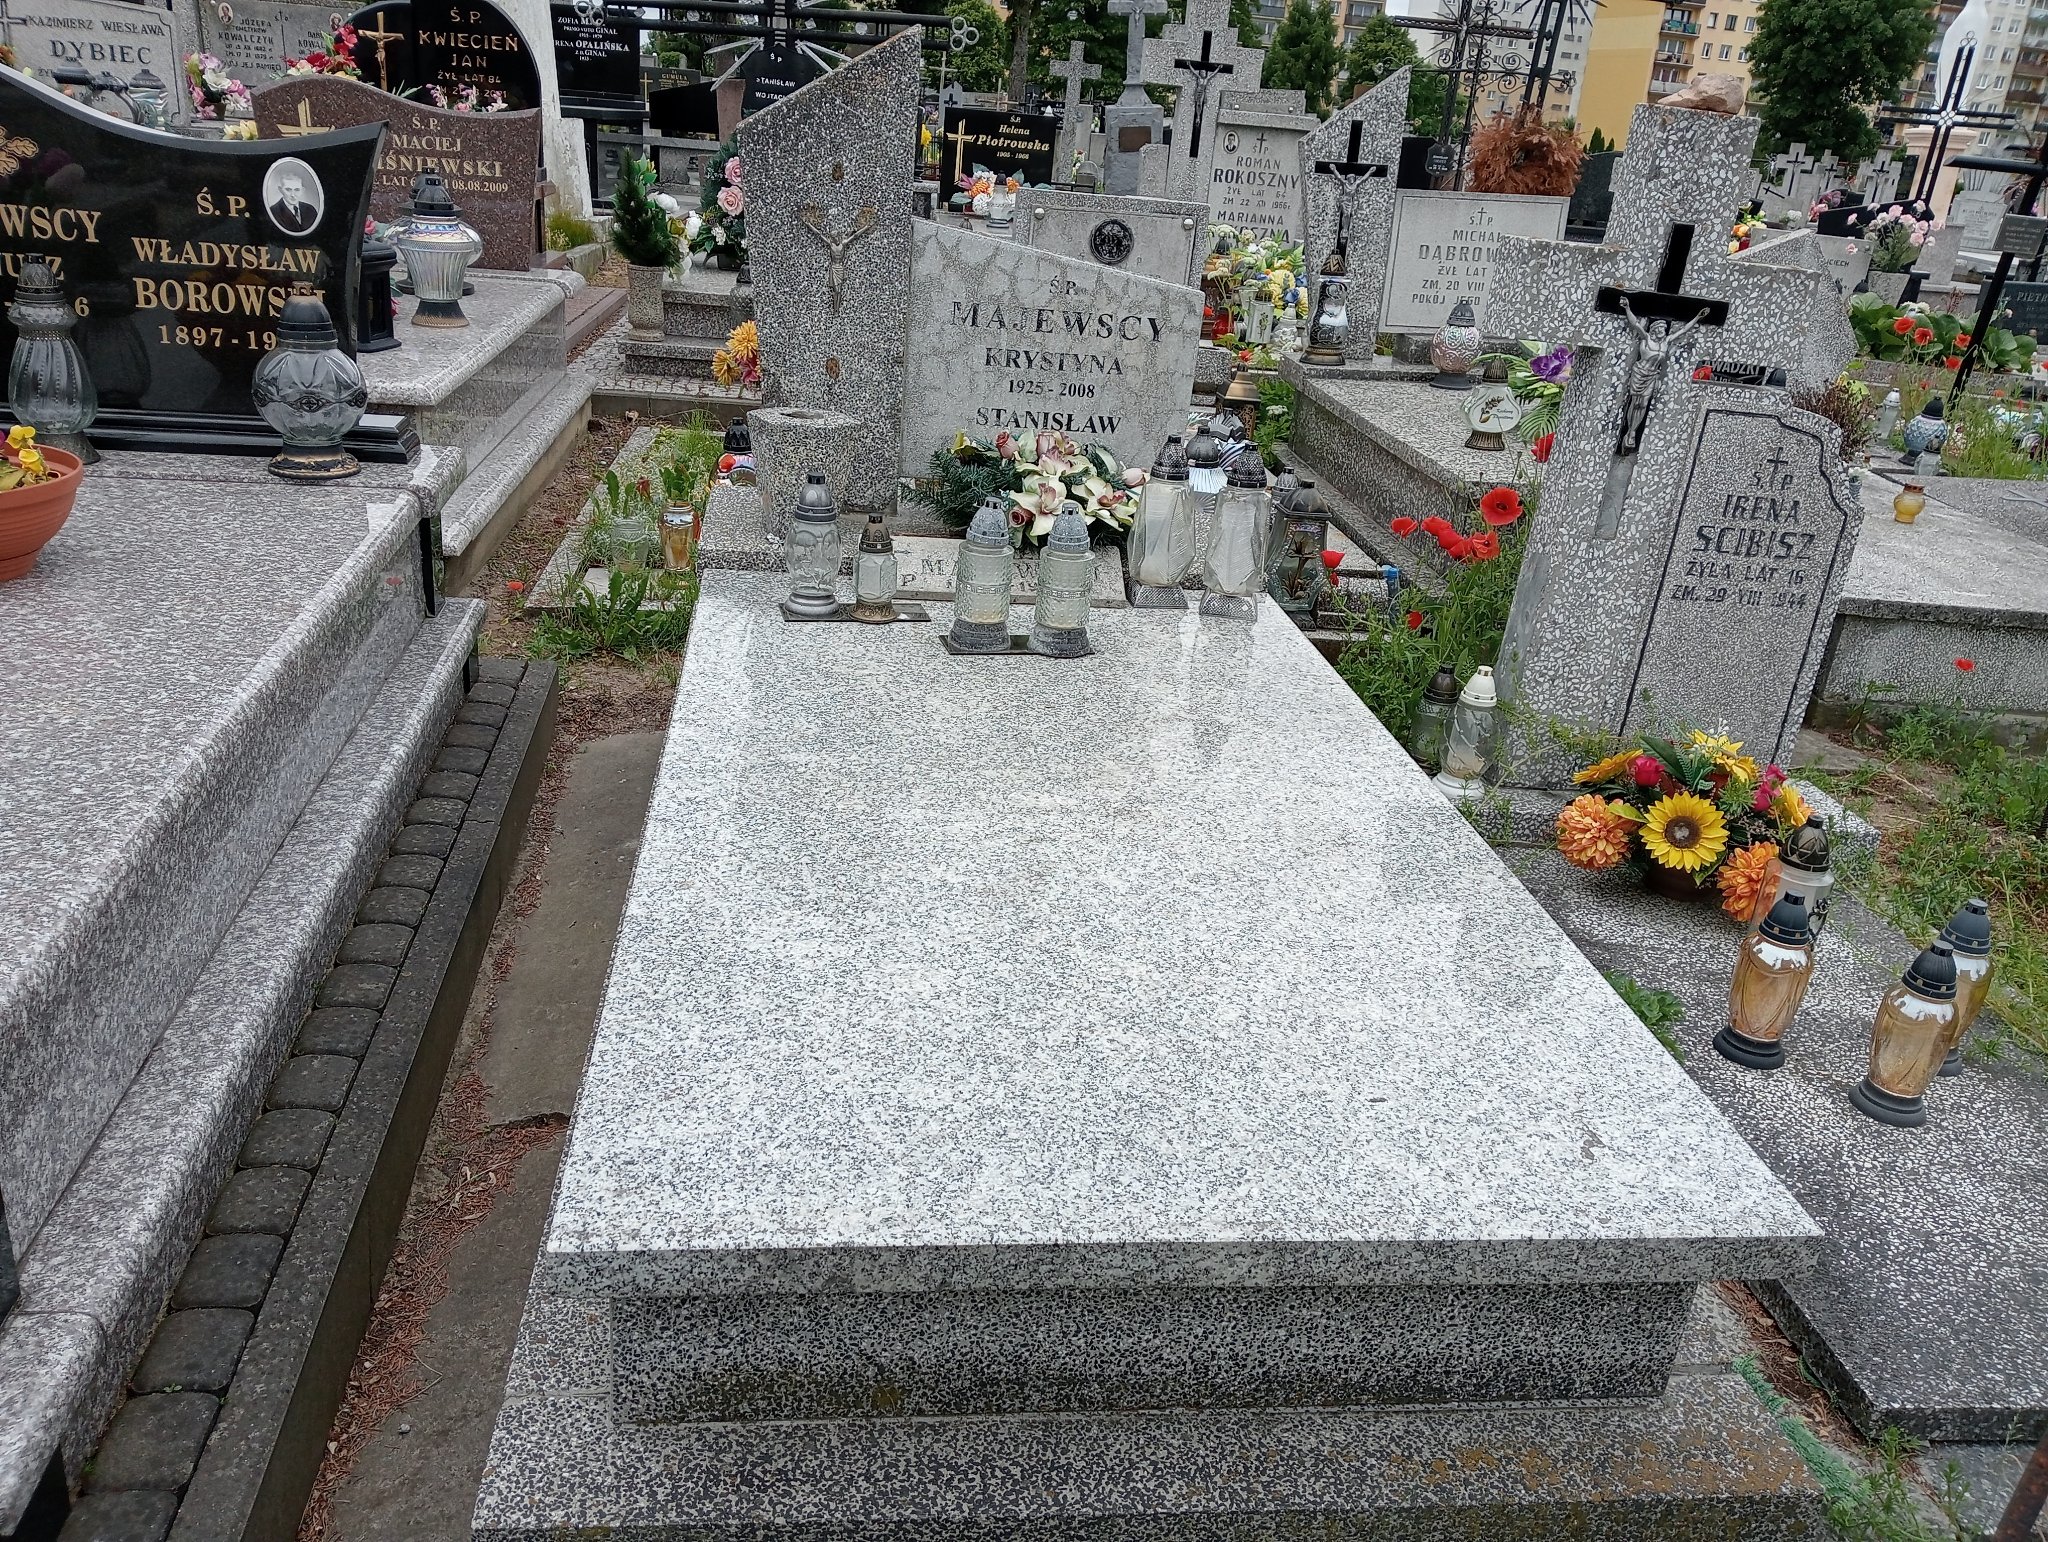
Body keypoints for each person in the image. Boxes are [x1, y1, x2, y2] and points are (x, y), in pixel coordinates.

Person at [268, 169, 319, 236]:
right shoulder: (273, 212)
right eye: (288, 189)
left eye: (297, 190)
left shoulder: (310, 209)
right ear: (281, 190)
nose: (293, 195)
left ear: (302, 190)